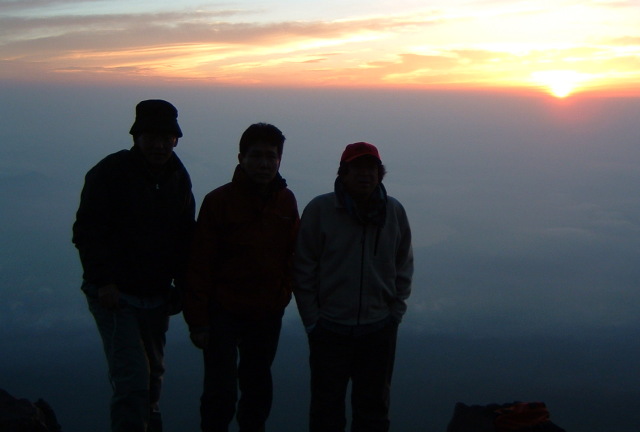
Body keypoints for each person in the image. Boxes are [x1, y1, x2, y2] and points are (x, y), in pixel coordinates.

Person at [72, 99, 196, 432]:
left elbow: (185, 238)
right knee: (132, 379)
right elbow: (88, 231)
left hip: (155, 294)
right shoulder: (110, 173)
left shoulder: (178, 179)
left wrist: (181, 290)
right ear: (136, 138)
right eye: (150, 137)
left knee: (153, 376)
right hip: (115, 294)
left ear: (175, 139)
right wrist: (104, 281)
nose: (158, 144)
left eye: (165, 137)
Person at [183, 123, 299, 432]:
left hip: (266, 311)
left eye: (271, 157)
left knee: (258, 388)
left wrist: (283, 293)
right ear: (241, 158)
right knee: (220, 392)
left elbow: (293, 253)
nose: (264, 164)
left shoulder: (286, 201)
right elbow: (199, 263)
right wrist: (198, 320)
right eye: (256, 156)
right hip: (222, 312)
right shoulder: (218, 202)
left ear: (280, 160)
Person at [293, 142, 414, 432]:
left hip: (378, 329)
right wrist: (313, 321)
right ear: (343, 173)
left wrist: (395, 313)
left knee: (373, 410)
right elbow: (303, 268)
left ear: (380, 174)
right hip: (330, 329)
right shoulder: (321, 210)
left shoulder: (393, 212)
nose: (365, 175)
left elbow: (404, 264)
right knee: (326, 410)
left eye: (371, 168)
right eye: (357, 168)